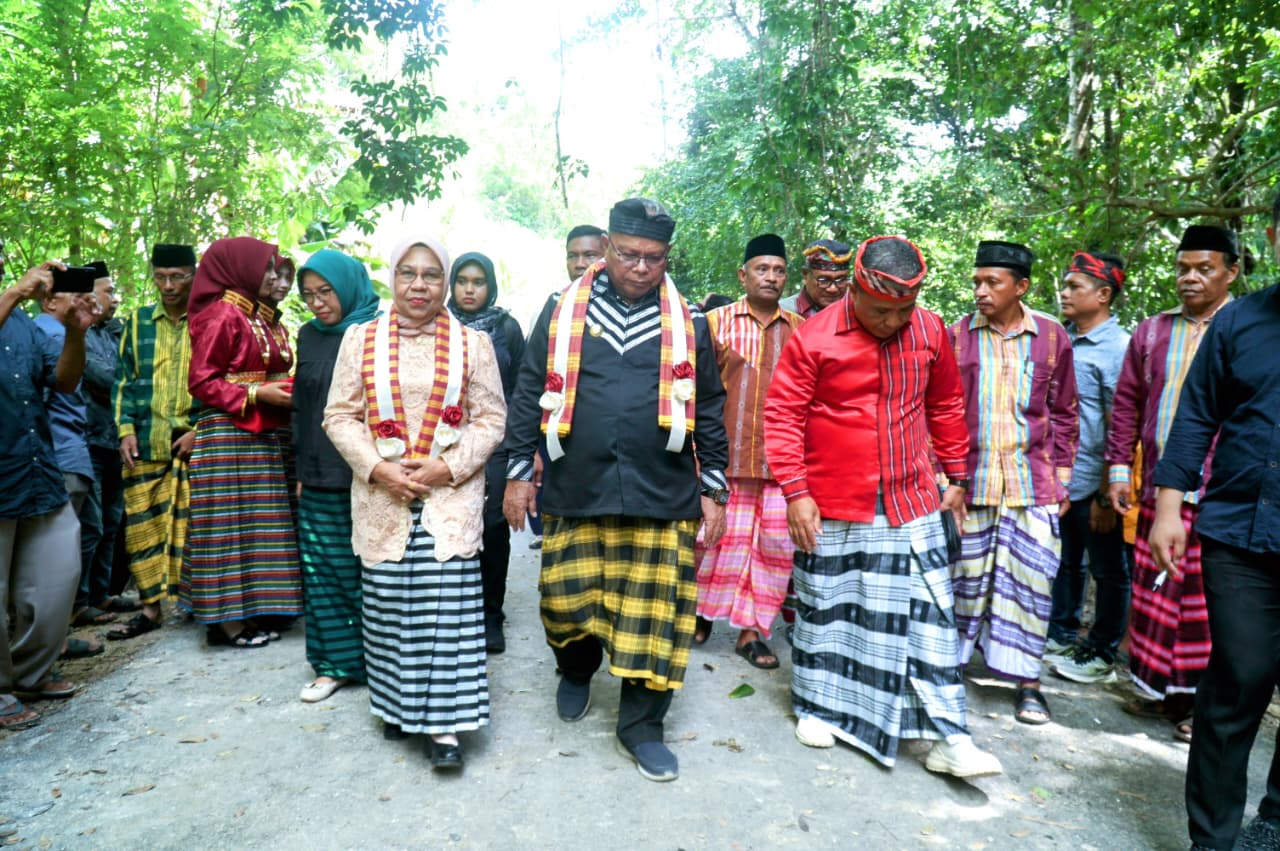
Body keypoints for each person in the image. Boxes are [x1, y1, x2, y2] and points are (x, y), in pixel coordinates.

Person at [503, 197, 729, 783]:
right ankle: (575, 668)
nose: (640, 267)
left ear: (667, 258)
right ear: (606, 246)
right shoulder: (560, 311)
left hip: (662, 491)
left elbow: (707, 405)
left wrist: (714, 488)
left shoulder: (691, 323)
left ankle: (642, 726)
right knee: (565, 600)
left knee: (657, 615)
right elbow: (530, 389)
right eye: (628, 253)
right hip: (577, 484)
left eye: (653, 258)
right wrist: (517, 475)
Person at [765, 235, 1002, 777]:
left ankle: (948, 736)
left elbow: (944, 404)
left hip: (911, 494)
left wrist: (958, 474)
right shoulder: (815, 335)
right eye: (881, 311)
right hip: (831, 499)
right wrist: (797, 493)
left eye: (904, 311)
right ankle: (818, 709)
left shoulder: (930, 329)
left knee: (930, 613)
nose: (894, 322)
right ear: (854, 291)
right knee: (831, 607)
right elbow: (782, 418)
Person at [324, 235, 506, 769]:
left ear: (446, 283)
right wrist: (379, 469)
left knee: (445, 613)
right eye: (408, 273)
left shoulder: (474, 344)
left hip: (449, 494)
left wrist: (446, 466)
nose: (419, 285)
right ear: (392, 279)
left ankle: (445, 729)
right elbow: (339, 415)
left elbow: (492, 418)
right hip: (383, 495)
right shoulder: (360, 339)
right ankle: (399, 709)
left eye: (431, 275)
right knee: (388, 608)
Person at [1156, 200, 1280, 851]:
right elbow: (1196, 414)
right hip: (1240, 534)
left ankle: (1276, 818)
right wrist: (1170, 507)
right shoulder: (1240, 321)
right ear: (1272, 235)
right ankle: (1212, 840)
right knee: (1241, 670)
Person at [1105, 224, 1238, 743]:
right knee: (1157, 588)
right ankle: (1160, 689)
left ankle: (1199, 702)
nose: (1191, 278)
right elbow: (1127, 404)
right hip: (1160, 486)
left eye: (1205, 269)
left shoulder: (1247, 326)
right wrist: (1119, 469)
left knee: (1207, 600)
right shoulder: (1152, 331)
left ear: (1230, 272)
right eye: (1183, 268)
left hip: (1225, 490)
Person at [948, 240, 1078, 726]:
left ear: (1020, 287)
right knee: (965, 579)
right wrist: (947, 477)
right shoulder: (956, 335)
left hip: (1033, 484)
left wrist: (1062, 480)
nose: (981, 291)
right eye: (977, 281)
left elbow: (1065, 411)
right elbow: (941, 411)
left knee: (1031, 584)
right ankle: (951, 670)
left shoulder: (1051, 336)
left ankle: (1028, 684)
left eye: (992, 283)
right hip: (971, 483)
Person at [181, 237, 302, 648]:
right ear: (241, 268)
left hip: (258, 433)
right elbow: (201, 381)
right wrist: (255, 394)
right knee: (227, 526)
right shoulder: (222, 315)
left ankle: (254, 609)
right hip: (228, 434)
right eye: (268, 269)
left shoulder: (259, 317)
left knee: (255, 525)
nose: (273, 279)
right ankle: (225, 622)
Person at [695, 234, 801, 669]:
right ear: (743, 275)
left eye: (778, 270)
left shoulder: (801, 331)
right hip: (724, 460)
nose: (771, 277)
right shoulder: (713, 323)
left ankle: (751, 632)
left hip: (781, 463)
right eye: (762, 269)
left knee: (773, 548)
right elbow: (696, 393)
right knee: (710, 540)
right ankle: (699, 614)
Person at [1, 261, 96, 729]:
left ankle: (30, 672)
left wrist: (77, 332)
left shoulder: (20, 321)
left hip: (36, 466)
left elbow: (62, 381)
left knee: (57, 574)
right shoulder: (13, 305)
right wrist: (16, 293)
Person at [292, 249, 381, 703]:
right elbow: (303, 408)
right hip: (320, 474)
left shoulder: (377, 333)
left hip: (374, 473)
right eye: (308, 295)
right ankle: (334, 665)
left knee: (375, 572)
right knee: (325, 572)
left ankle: (383, 664)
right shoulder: (308, 336)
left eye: (325, 292)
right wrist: (301, 469)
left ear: (346, 286)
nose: (317, 303)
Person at [1044, 252, 1132, 683]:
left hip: (1099, 480)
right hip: (1065, 477)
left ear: (1103, 294)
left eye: (1074, 287)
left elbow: (1122, 422)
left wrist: (1104, 491)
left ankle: (1101, 651)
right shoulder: (1063, 339)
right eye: (1065, 285)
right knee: (1066, 560)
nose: (1064, 293)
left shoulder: (1118, 347)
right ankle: (1061, 631)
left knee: (1109, 567)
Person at [109, 244, 200, 640]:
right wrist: (125, 430)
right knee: (142, 529)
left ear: (193, 276)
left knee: (193, 526)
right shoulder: (138, 321)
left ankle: (199, 602)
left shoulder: (207, 322)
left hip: (190, 443)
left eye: (177, 276)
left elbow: (217, 386)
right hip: (145, 442)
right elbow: (123, 381)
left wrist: (201, 431)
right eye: (161, 276)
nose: (168, 285)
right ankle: (149, 610)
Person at [448, 251, 526, 654]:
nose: (469, 289)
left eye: (478, 282)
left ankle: (491, 613)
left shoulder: (506, 328)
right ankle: (455, 609)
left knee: (493, 525)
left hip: (496, 441)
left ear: (490, 286)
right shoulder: (437, 326)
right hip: (444, 439)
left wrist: (519, 448)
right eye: (462, 281)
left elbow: (520, 388)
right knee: (450, 523)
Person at [72, 261, 135, 636]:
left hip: (116, 440)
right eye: (107, 290)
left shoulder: (115, 334)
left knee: (112, 523)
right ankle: (77, 603)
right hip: (87, 441)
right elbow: (108, 379)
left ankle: (102, 594)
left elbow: (134, 375)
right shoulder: (76, 334)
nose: (113, 298)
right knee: (90, 526)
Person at [778, 239, 851, 318]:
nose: (833, 289)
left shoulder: (855, 312)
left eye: (840, 280)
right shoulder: (783, 313)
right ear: (805, 275)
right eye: (824, 280)